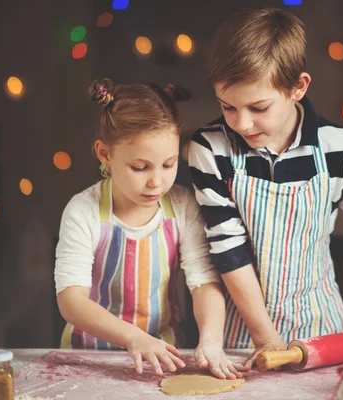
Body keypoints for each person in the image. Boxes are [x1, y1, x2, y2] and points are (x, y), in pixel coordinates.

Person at [188, 8, 343, 369]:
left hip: (321, 336)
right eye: (228, 107)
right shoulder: (210, 148)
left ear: (298, 87)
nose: (242, 122)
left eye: (258, 106)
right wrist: (266, 339)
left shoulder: (337, 147)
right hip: (240, 339)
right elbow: (228, 249)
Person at [55, 78, 245, 379]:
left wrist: (211, 339)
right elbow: (71, 301)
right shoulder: (84, 211)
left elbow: (203, 283)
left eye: (168, 165)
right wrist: (134, 338)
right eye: (140, 167)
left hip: (163, 358)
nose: (157, 181)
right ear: (105, 154)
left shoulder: (182, 206)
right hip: (87, 359)